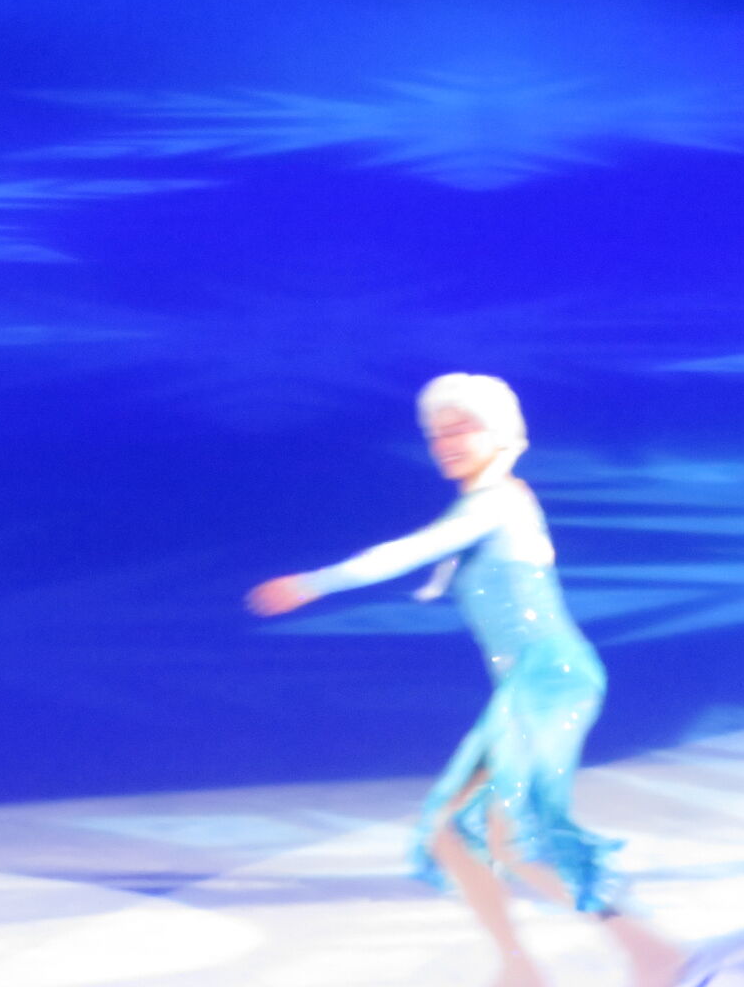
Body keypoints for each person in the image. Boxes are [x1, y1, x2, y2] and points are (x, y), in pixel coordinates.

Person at [246, 374, 692, 987]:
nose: (447, 443)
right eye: (438, 433)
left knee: (515, 840)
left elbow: (408, 552)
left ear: (500, 432)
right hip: (527, 685)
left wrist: (313, 583)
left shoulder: (500, 501)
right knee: (450, 831)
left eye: (462, 428)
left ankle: (650, 950)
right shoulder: (479, 504)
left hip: (552, 678)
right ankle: (518, 968)